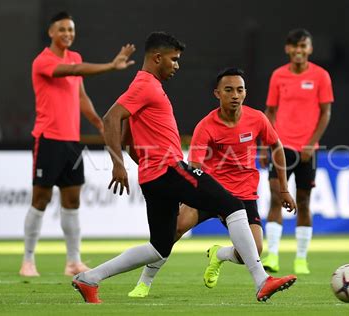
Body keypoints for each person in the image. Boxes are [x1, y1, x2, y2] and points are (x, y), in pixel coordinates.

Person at [71, 32, 297, 304]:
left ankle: (89, 278)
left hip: (155, 177)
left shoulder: (143, 87)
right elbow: (110, 119)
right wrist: (117, 165)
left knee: (158, 248)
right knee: (233, 205)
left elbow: (127, 139)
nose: (177, 65)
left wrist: (144, 167)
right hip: (169, 169)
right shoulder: (146, 85)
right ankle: (262, 281)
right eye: (174, 59)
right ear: (157, 58)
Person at [127, 67, 297, 298]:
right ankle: (144, 282)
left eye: (239, 90)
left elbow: (276, 147)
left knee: (254, 250)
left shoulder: (257, 118)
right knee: (173, 230)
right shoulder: (205, 126)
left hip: (244, 195)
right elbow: (194, 166)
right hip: (211, 192)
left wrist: (284, 190)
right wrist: (185, 195)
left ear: (245, 93)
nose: (235, 95)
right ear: (217, 93)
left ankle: (220, 255)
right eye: (229, 90)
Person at [19, 11, 135, 277]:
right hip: (48, 139)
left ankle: (73, 261)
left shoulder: (75, 56)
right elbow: (72, 71)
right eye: (62, 30)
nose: (67, 34)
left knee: (72, 201)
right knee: (41, 198)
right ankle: (28, 260)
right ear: (51, 33)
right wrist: (110, 66)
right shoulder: (42, 62)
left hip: (72, 142)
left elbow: (80, 95)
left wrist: (97, 122)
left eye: (71, 30)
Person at [261, 28, 334, 274]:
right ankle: (272, 254)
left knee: (303, 201)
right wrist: (266, 144)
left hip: (307, 150)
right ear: (287, 49)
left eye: (303, 46)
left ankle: (301, 258)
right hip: (280, 147)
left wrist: (311, 143)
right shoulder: (278, 76)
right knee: (275, 197)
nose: (299, 51)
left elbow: (325, 113)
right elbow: (270, 112)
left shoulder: (321, 76)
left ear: (310, 49)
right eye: (295, 46)